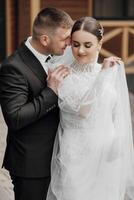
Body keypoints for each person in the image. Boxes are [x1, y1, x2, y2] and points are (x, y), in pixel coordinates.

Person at [46, 17, 134, 200]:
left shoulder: (110, 70)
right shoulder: (63, 73)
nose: (80, 51)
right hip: (76, 153)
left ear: (99, 44)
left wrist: (119, 146)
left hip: (106, 151)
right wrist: (102, 76)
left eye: (87, 44)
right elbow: (83, 111)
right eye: (76, 44)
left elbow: (116, 113)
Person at [0, 7, 73, 200]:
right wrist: (50, 92)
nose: (69, 43)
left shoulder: (57, 56)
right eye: (65, 38)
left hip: (55, 158)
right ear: (44, 40)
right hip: (31, 166)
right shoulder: (13, 68)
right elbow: (15, 117)